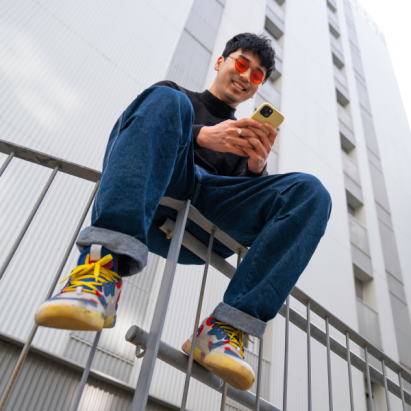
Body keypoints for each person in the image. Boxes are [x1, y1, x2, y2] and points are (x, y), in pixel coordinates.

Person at [35, 33, 332, 391]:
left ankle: (226, 330)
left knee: (312, 192)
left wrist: (256, 168)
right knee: (166, 98)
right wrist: (202, 136)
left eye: (256, 75)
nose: (245, 76)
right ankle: (100, 272)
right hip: (162, 193)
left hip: (209, 220)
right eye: (241, 63)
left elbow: (260, 210)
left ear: (257, 89)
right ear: (219, 62)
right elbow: (133, 139)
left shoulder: (244, 135)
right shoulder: (176, 100)